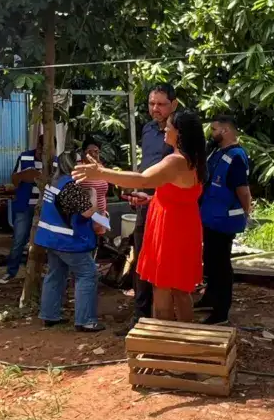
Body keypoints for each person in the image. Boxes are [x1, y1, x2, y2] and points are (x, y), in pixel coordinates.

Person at [75, 109, 207, 322]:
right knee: (180, 289)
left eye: (169, 126)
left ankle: (163, 336)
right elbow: (181, 194)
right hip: (183, 225)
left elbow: (143, 180)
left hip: (170, 230)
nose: (165, 129)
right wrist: (152, 199)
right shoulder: (194, 159)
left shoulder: (175, 161)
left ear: (179, 133)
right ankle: (185, 335)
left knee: (162, 288)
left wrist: (101, 173)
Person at [116, 84, 178, 333]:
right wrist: (137, 191)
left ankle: (168, 321)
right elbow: (146, 166)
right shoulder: (148, 129)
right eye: (152, 103)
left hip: (170, 206)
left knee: (166, 262)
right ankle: (140, 317)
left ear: (174, 104)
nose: (155, 109)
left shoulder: (180, 132)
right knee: (142, 258)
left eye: (161, 104)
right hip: (145, 204)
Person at [37, 152, 105, 332]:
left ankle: (49, 315)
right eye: (81, 163)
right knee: (87, 274)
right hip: (68, 241)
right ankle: (86, 321)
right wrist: (93, 193)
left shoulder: (54, 183)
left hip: (51, 238)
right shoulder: (69, 186)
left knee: (55, 274)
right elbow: (87, 212)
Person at [196, 114, 253, 325]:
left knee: (221, 265)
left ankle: (221, 311)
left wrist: (246, 211)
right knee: (210, 260)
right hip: (211, 217)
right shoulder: (217, 153)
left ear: (226, 131)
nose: (211, 133)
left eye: (214, 129)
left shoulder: (236, 156)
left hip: (224, 220)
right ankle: (210, 298)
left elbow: (243, 190)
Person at [0, 133, 45, 284]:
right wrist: (25, 175)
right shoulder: (25, 157)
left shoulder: (54, 161)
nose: (42, 153)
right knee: (19, 240)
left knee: (44, 241)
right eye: (41, 149)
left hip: (44, 208)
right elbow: (14, 180)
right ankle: (11, 272)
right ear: (38, 146)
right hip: (25, 205)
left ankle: (39, 271)